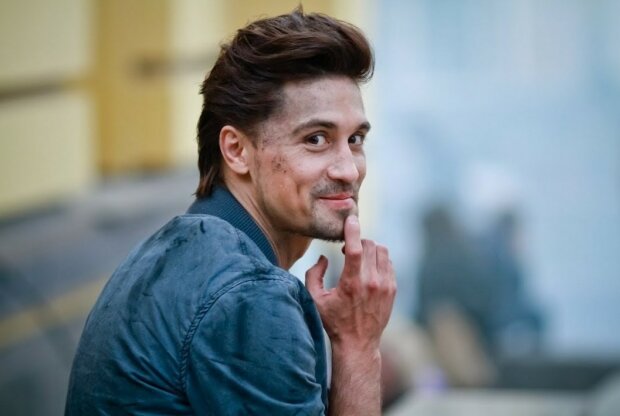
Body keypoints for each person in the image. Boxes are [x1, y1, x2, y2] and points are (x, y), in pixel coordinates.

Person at [65, 8, 396, 415]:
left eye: (356, 139)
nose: (348, 169)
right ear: (237, 151)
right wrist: (358, 344)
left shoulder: (172, 251)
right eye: (316, 139)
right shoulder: (249, 295)